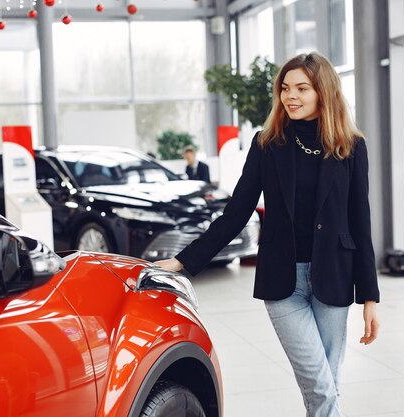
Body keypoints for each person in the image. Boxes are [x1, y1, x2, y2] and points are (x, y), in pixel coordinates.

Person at [155, 52, 380, 417]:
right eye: (286, 88)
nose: (290, 96)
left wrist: (370, 295)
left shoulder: (350, 147)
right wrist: (184, 260)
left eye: (302, 88)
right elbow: (236, 213)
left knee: (326, 385)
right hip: (283, 282)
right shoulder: (267, 144)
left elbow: (360, 221)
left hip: (335, 277)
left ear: (323, 92)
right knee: (319, 385)